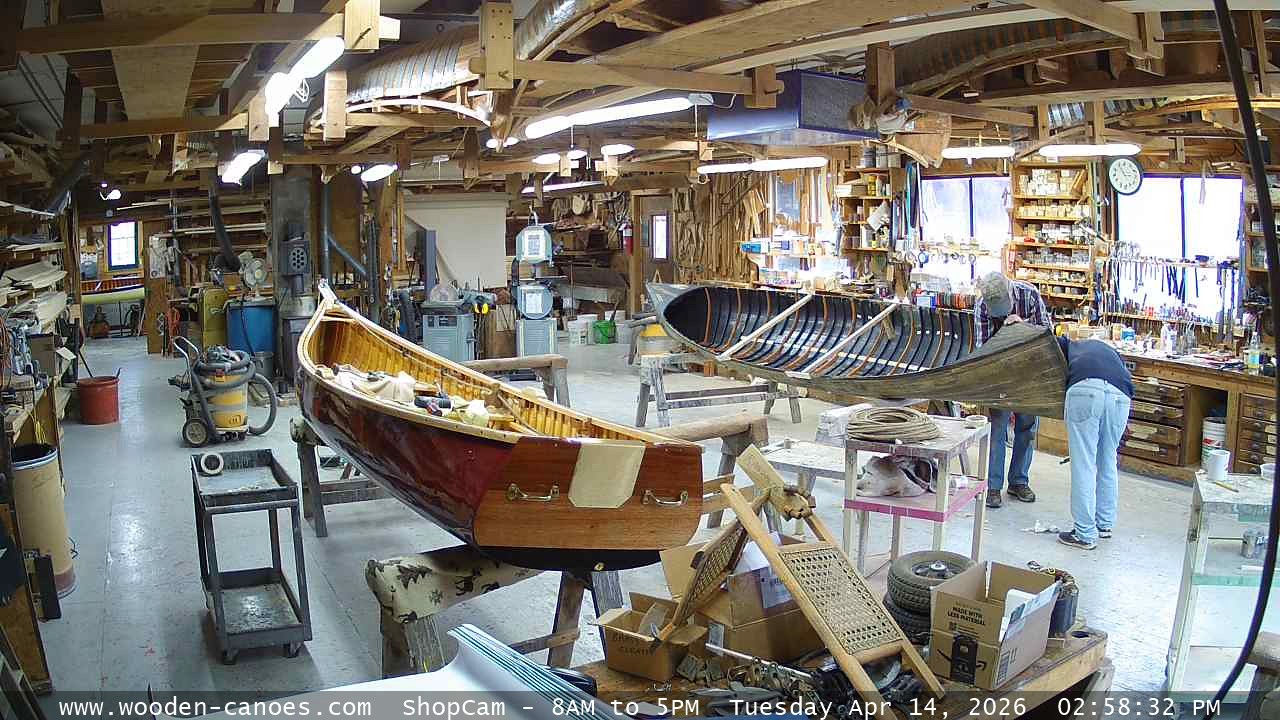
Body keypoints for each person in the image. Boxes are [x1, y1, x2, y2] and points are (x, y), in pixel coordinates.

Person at [974, 272, 1050, 509]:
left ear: (1010, 292)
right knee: (998, 429)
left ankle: (1018, 481)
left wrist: (1022, 327)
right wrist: (1005, 335)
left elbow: (1046, 333)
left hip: (1029, 370)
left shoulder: (1030, 295)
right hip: (1001, 373)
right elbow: (984, 349)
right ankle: (993, 486)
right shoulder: (982, 305)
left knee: (1027, 428)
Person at [1056, 335, 1133, 550]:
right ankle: (1104, 524)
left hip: (1086, 389)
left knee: (1083, 463)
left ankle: (1084, 533)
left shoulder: (1069, 345)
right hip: (1121, 395)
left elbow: (1049, 343)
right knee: (1108, 460)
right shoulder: (1110, 351)